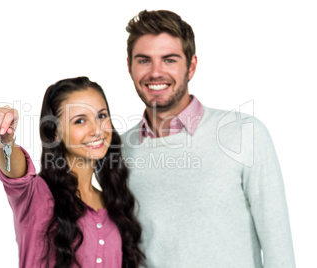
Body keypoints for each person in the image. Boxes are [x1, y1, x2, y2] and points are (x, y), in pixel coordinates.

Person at [121, 10, 295, 268]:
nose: (155, 73)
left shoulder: (244, 134)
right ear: (129, 67)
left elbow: (278, 248)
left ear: (191, 66)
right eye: (144, 60)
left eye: (169, 60)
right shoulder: (119, 149)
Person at [0, 77, 144, 267]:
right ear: (54, 133)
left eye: (101, 116)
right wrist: (3, 141)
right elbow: (15, 173)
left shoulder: (114, 202)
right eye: (80, 120)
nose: (97, 130)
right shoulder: (37, 197)